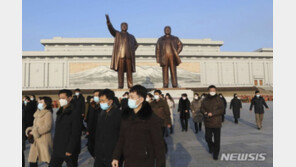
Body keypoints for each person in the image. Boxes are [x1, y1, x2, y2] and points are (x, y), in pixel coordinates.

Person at [111, 85, 166, 167]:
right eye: (129, 97)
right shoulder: (126, 116)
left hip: (145, 160)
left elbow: (159, 145)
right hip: (128, 160)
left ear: (141, 99)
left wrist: (160, 164)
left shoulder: (151, 118)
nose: (129, 99)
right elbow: (121, 138)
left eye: (132, 97)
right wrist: (116, 157)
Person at [49, 89, 82, 167]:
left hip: (69, 148)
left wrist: (70, 149)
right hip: (58, 148)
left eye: (63, 98)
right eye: (60, 98)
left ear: (69, 98)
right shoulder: (60, 111)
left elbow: (76, 132)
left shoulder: (75, 112)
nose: (61, 100)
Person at [105, 14, 138, 89]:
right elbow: (111, 29)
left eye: (125, 25)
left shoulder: (131, 36)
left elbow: (136, 45)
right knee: (121, 72)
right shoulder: (117, 34)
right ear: (120, 27)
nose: (124, 26)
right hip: (120, 56)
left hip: (129, 57)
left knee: (129, 73)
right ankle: (120, 85)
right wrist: (108, 22)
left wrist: (131, 51)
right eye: (122, 25)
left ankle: (130, 86)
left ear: (127, 27)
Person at [94, 89, 122, 167]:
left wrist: (117, 156)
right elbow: (98, 134)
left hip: (113, 155)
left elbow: (122, 137)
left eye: (103, 101)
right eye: (100, 101)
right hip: (100, 155)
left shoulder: (118, 115)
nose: (101, 103)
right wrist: (96, 151)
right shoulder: (101, 114)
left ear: (110, 101)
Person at [25, 96, 53, 167]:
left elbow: (48, 127)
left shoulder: (48, 113)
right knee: (32, 161)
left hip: (44, 140)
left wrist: (35, 132)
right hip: (35, 141)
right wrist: (29, 130)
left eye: (41, 102)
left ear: (46, 104)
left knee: (48, 160)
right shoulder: (37, 113)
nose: (39, 104)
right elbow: (35, 126)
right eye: (39, 102)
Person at [200, 85, 225, 160]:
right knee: (207, 138)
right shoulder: (205, 99)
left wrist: (213, 113)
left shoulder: (219, 99)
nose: (212, 92)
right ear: (208, 91)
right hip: (208, 122)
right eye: (211, 90)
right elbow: (202, 108)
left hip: (217, 122)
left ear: (216, 91)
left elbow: (222, 110)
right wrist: (204, 112)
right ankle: (211, 147)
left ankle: (216, 154)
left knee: (217, 140)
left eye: (214, 90)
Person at [86, 90, 101, 158]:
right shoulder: (92, 105)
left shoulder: (103, 106)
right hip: (91, 130)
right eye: (94, 95)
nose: (96, 97)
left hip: (100, 131)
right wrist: (88, 129)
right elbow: (89, 117)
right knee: (90, 147)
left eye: (97, 95)